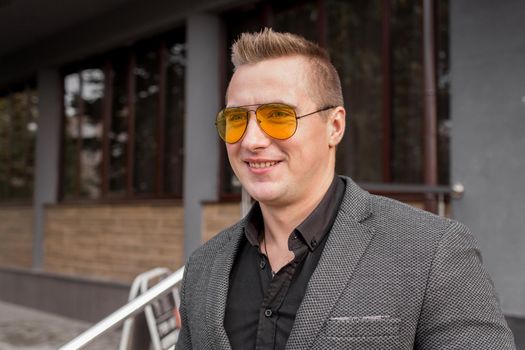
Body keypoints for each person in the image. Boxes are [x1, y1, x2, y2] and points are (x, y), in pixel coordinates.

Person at [175, 28, 516, 350]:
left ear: (334, 126)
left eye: (278, 116)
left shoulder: (431, 250)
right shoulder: (203, 267)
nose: (250, 140)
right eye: (236, 119)